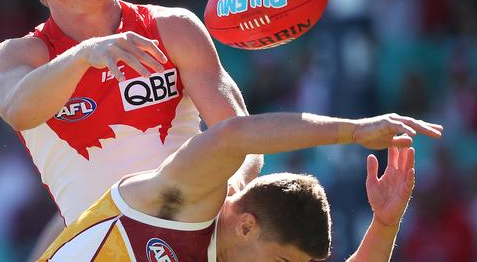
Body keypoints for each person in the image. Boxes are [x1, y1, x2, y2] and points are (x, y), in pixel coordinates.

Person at [0, 0, 261, 257]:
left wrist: (232, 186)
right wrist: (84, 56)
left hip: (198, 237)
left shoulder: (172, 28)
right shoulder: (21, 55)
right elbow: (17, 109)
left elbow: (244, 139)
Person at [38, 112, 443, 261]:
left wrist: (386, 224)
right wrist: (354, 131)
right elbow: (233, 136)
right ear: (246, 227)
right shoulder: (185, 207)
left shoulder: (246, 248)